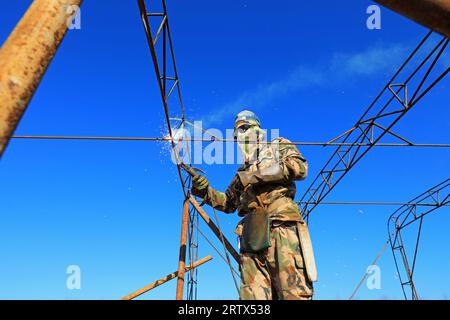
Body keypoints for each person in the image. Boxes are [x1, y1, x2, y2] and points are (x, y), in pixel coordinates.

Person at [191, 110, 317, 300]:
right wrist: (204, 190)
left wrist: (253, 176)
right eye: (236, 133)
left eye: (244, 129)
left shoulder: (277, 146)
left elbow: (298, 168)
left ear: (257, 129)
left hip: (281, 226)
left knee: (293, 293)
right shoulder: (242, 171)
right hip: (251, 235)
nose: (240, 136)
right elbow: (228, 203)